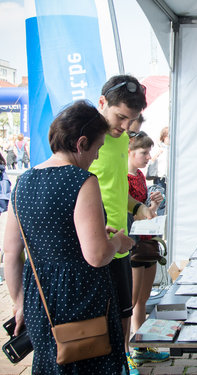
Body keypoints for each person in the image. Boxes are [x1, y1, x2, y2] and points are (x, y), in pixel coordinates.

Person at [3, 100, 135, 374]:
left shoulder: (23, 183)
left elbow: (11, 253)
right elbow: (97, 256)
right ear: (81, 143)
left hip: (40, 302)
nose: (96, 157)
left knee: (51, 365)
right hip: (81, 300)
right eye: (97, 148)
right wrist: (118, 243)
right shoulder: (82, 181)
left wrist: (19, 303)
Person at [88, 75, 163, 375]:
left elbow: (117, 188)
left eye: (131, 121)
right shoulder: (87, 139)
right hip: (95, 245)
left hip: (121, 244)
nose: (125, 127)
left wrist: (138, 206)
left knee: (124, 311)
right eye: (120, 117)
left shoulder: (121, 139)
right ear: (101, 102)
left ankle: (124, 360)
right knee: (96, 323)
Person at [126, 131, 169, 365]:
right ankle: (125, 353)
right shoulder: (121, 178)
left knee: (142, 299)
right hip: (132, 245)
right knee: (129, 303)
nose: (148, 157)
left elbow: (147, 213)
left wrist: (153, 204)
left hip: (147, 242)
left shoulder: (141, 177)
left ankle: (140, 346)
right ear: (129, 152)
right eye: (144, 152)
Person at [150, 126, 169, 191]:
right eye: (168, 136)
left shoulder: (172, 150)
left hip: (170, 177)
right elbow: (151, 160)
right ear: (164, 137)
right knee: (160, 196)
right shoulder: (158, 148)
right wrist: (157, 154)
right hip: (160, 178)